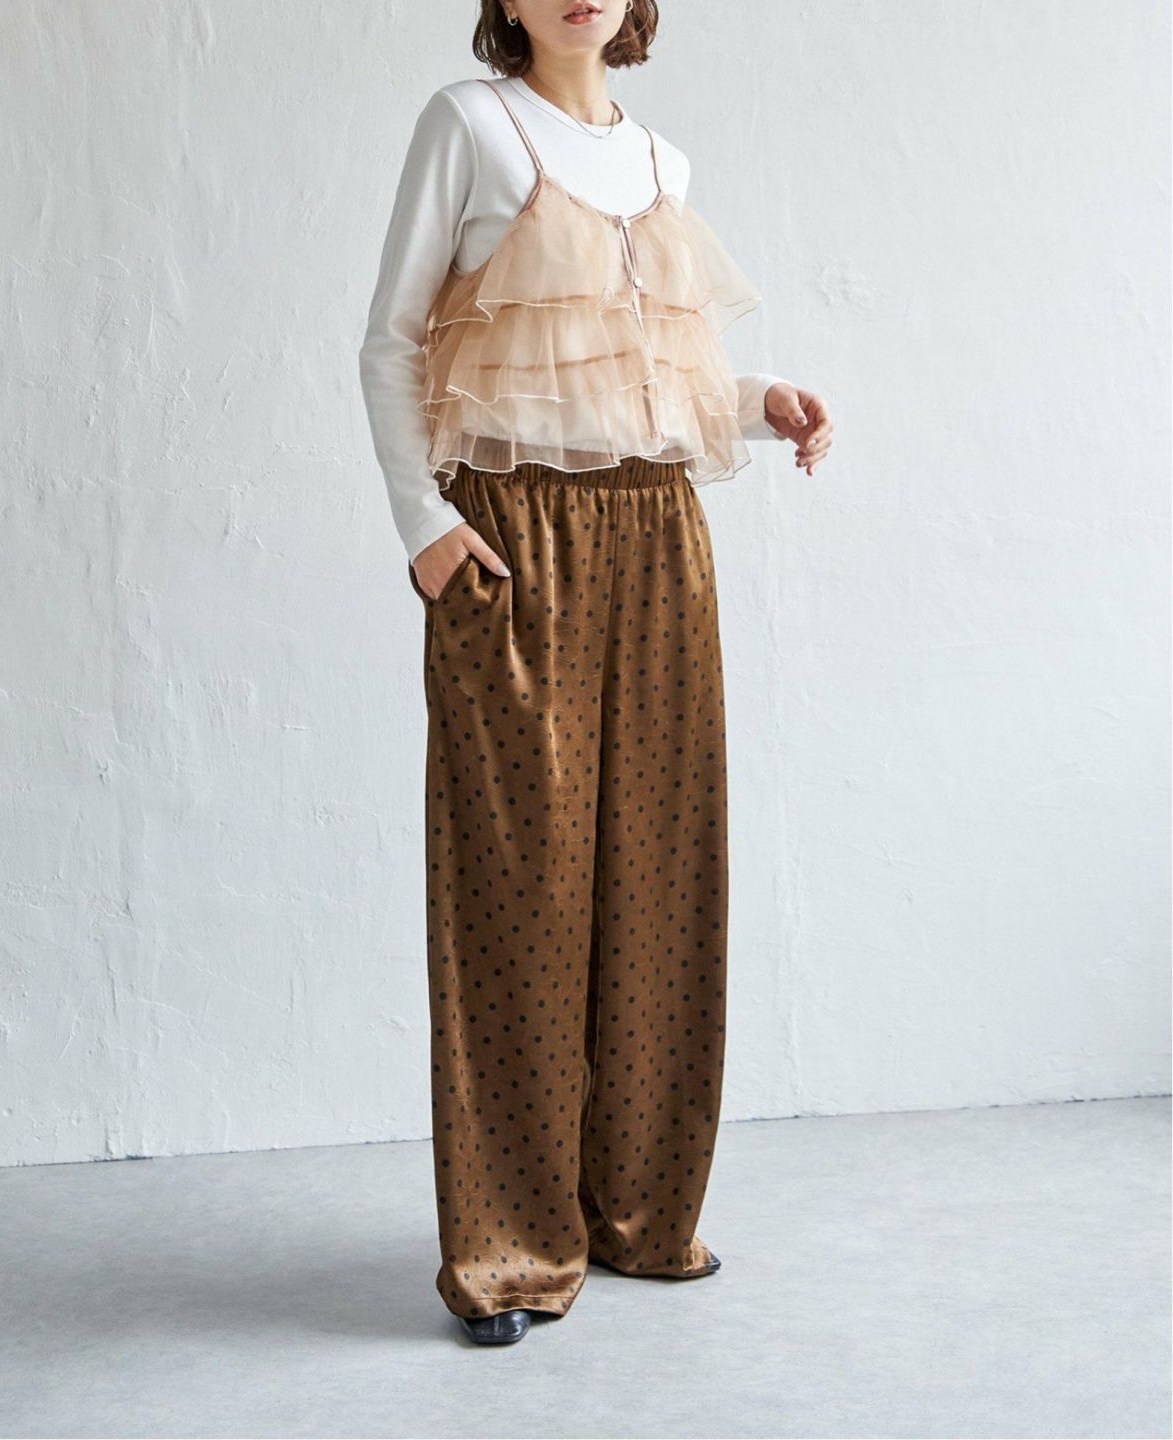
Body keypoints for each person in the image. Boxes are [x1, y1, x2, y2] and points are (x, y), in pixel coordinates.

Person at [358, 0, 834, 1347]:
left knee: (660, 870)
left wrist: (760, 399)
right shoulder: (469, 126)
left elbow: (644, 375)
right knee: (520, 890)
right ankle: (510, 1250)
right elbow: (390, 341)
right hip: (513, 540)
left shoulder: (661, 162)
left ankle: (637, 1210)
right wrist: (424, 526)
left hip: (660, 533)